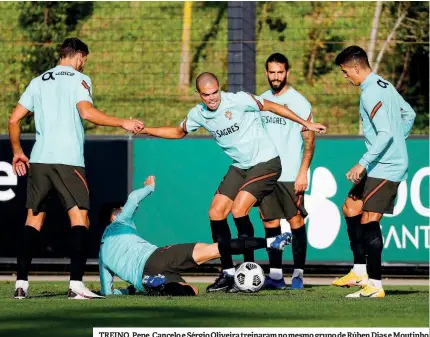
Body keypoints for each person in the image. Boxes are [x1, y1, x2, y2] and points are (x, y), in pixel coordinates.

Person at [139, 72, 326, 293]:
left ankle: (248, 269)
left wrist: (305, 123)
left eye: (215, 92)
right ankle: (228, 273)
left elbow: (272, 106)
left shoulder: (238, 100)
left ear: (220, 88)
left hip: (266, 162)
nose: (212, 98)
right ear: (198, 94)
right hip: (240, 166)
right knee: (216, 212)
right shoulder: (198, 114)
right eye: (206, 95)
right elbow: (178, 132)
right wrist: (146, 130)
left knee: (239, 209)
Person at [9, 37, 144, 300]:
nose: (83, 64)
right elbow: (87, 112)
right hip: (68, 160)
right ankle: (76, 285)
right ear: (80, 56)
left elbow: (14, 119)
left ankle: (21, 285)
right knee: (80, 219)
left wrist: (17, 152)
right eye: (84, 60)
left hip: (39, 160)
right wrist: (122, 122)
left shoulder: (38, 80)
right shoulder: (79, 79)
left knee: (33, 221)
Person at [99, 176, 292, 296]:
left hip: (143, 276)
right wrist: (149, 187)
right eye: (119, 209)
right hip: (158, 255)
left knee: (190, 291)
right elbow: (133, 198)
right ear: (114, 216)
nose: (123, 209)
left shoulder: (102, 257)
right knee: (216, 249)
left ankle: (154, 285)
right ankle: (270, 242)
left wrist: (128, 290)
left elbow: (108, 292)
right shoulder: (120, 223)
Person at [332, 46, 416, 298]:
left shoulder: (370, 93)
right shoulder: (384, 84)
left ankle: (376, 285)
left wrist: (363, 162)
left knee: (369, 219)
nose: (346, 77)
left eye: (346, 72)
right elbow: (409, 114)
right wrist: (399, 141)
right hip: (381, 162)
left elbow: (385, 133)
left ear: (356, 68)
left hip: (386, 166)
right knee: (351, 208)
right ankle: (359, 271)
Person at [258, 53, 315, 290]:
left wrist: (303, 173)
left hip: (291, 174)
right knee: (270, 222)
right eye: (272, 72)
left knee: (295, 221)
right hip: (266, 174)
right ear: (266, 73)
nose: (276, 77)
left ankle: (299, 274)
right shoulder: (260, 101)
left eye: (280, 72)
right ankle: (276, 276)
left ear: (287, 73)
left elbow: (310, 140)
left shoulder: (300, 102)